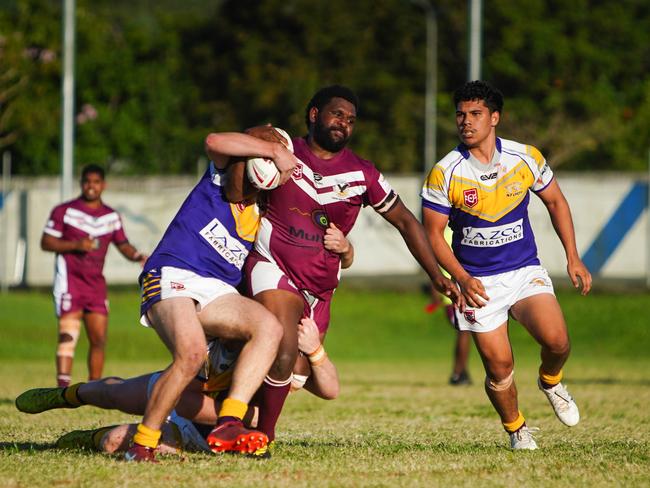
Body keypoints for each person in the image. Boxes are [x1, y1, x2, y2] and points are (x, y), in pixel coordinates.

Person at [235, 85, 462, 446]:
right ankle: (262, 437)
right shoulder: (282, 151)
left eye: (351, 120)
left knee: (295, 373)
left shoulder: (362, 174)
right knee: (281, 345)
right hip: (272, 266)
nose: (344, 123)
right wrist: (257, 139)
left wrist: (438, 276)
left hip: (320, 290)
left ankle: (235, 418)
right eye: (337, 114)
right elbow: (236, 152)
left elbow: (405, 221)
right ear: (314, 115)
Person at [421, 80, 592, 450]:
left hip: (523, 270)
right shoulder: (445, 172)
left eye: (475, 114)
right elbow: (433, 235)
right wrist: (463, 278)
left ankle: (551, 380)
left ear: (495, 118)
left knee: (558, 341)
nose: (466, 121)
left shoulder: (525, 157)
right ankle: (517, 429)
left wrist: (573, 257)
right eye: (460, 115)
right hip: (478, 284)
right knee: (499, 370)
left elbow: (556, 203)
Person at [118, 131, 297, 461]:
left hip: (216, 290)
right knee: (190, 355)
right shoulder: (216, 176)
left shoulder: (262, 210)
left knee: (270, 328)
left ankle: (229, 422)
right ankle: (142, 446)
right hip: (172, 273)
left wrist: (344, 253)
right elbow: (214, 140)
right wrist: (273, 148)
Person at [15, 318, 338, 457]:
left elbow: (330, 389)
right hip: (182, 395)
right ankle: (69, 395)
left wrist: (314, 351)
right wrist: (245, 419)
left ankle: (83, 440)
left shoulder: (284, 359)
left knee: (114, 441)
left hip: (201, 432)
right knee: (113, 393)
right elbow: (183, 400)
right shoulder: (228, 341)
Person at [41, 164, 147, 388]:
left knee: (99, 339)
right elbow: (46, 242)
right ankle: (62, 390)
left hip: (95, 285)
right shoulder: (64, 211)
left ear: (103, 185)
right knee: (68, 336)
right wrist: (76, 244)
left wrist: (138, 256)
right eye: (87, 181)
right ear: (81, 183)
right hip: (70, 282)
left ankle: (94, 389)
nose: (91, 186)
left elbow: (123, 244)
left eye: (96, 182)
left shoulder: (111, 216)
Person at [424, 226, 472, 386]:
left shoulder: (447, 231)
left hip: (455, 292)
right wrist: (435, 292)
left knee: (466, 331)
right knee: (465, 331)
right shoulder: (445, 233)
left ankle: (461, 371)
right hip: (452, 294)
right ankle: (458, 373)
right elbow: (433, 266)